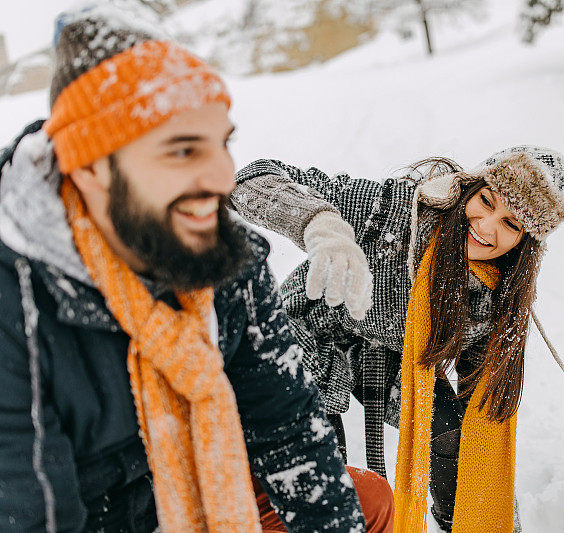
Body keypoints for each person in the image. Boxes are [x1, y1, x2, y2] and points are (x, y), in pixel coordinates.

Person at [0, 7, 393, 532]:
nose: (222, 177)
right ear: (91, 166)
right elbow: (34, 514)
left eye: (221, 142)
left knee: (366, 500)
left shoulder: (224, 256)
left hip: (209, 482)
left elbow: (289, 431)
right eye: (182, 150)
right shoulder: (17, 300)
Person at [230, 148, 564, 532]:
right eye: (486, 200)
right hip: (307, 337)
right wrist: (320, 223)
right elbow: (252, 179)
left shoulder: (496, 298)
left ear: (526, 242)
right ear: (470, 187)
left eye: (510, 223)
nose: (486, 226)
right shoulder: (391, 213)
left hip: (395, 356)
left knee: (454, 435)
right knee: (318, 474)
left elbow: (482, 424)